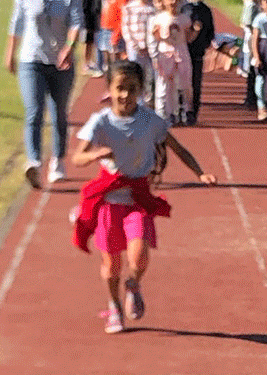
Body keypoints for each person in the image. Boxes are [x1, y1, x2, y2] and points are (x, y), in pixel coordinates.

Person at [72, 60, 217, 334]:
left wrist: (200, 173)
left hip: (137, 199)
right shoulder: (100, 121)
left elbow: (177, 148)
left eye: (131, 89)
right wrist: (95, 154)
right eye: (119, 89)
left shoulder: (150, 120)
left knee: (139, 256)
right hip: (110, 201)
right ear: (109, 90)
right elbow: (78, 157)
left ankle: (134, 284)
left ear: (141, 91)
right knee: (111, 264)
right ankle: (114, 305)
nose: (125, 95)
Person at [5, 0, 83, 188]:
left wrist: (69, 48)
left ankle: (57, 161)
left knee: (59, 112)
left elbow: (76, 22)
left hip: (61, 62)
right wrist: (10, 53)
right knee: (34, 111)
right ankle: (34, 161)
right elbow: (16, 23)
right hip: (32, 59)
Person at [151, 0, 193, 125]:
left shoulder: (185, 19)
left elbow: (188, 38)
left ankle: (186, 110)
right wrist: (157, 35)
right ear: (163, 1)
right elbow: (157, 38)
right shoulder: (160, 18)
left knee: (185, 82)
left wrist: (196, 31)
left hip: (181, 51)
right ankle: (168, 113)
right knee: (167, 83)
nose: (173, 2)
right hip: (165, 52)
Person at [182, 0, 215, 126]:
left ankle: (193, 113)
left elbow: (210, 30)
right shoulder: (183, 8)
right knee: (182, 83)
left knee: (195, 84)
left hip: (197, 53)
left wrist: (206, 43)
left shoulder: (206, 10)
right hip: (182, 52)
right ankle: (180, 110)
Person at [121, 0, 153, 102]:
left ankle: (147, 99)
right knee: (135, 74)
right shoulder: (128, 8)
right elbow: (125, 28)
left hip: (149, 48)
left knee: (149, 75)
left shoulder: (152, 9)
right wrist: (134, 44)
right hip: (134, 48)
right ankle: (137, 101)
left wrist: (148, 46)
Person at [99, 0, 129, 72]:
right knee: (108, 59)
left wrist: (116, 35)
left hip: (115, 32)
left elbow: (122, 18)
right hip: (107, 30)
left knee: (117, 59)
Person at [82, 0, 104, 75]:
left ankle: (90, 61)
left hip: (94, 21)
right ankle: (86, 63)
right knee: (87, 43)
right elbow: (84, 8)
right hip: (87, 22)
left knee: (92, 43)